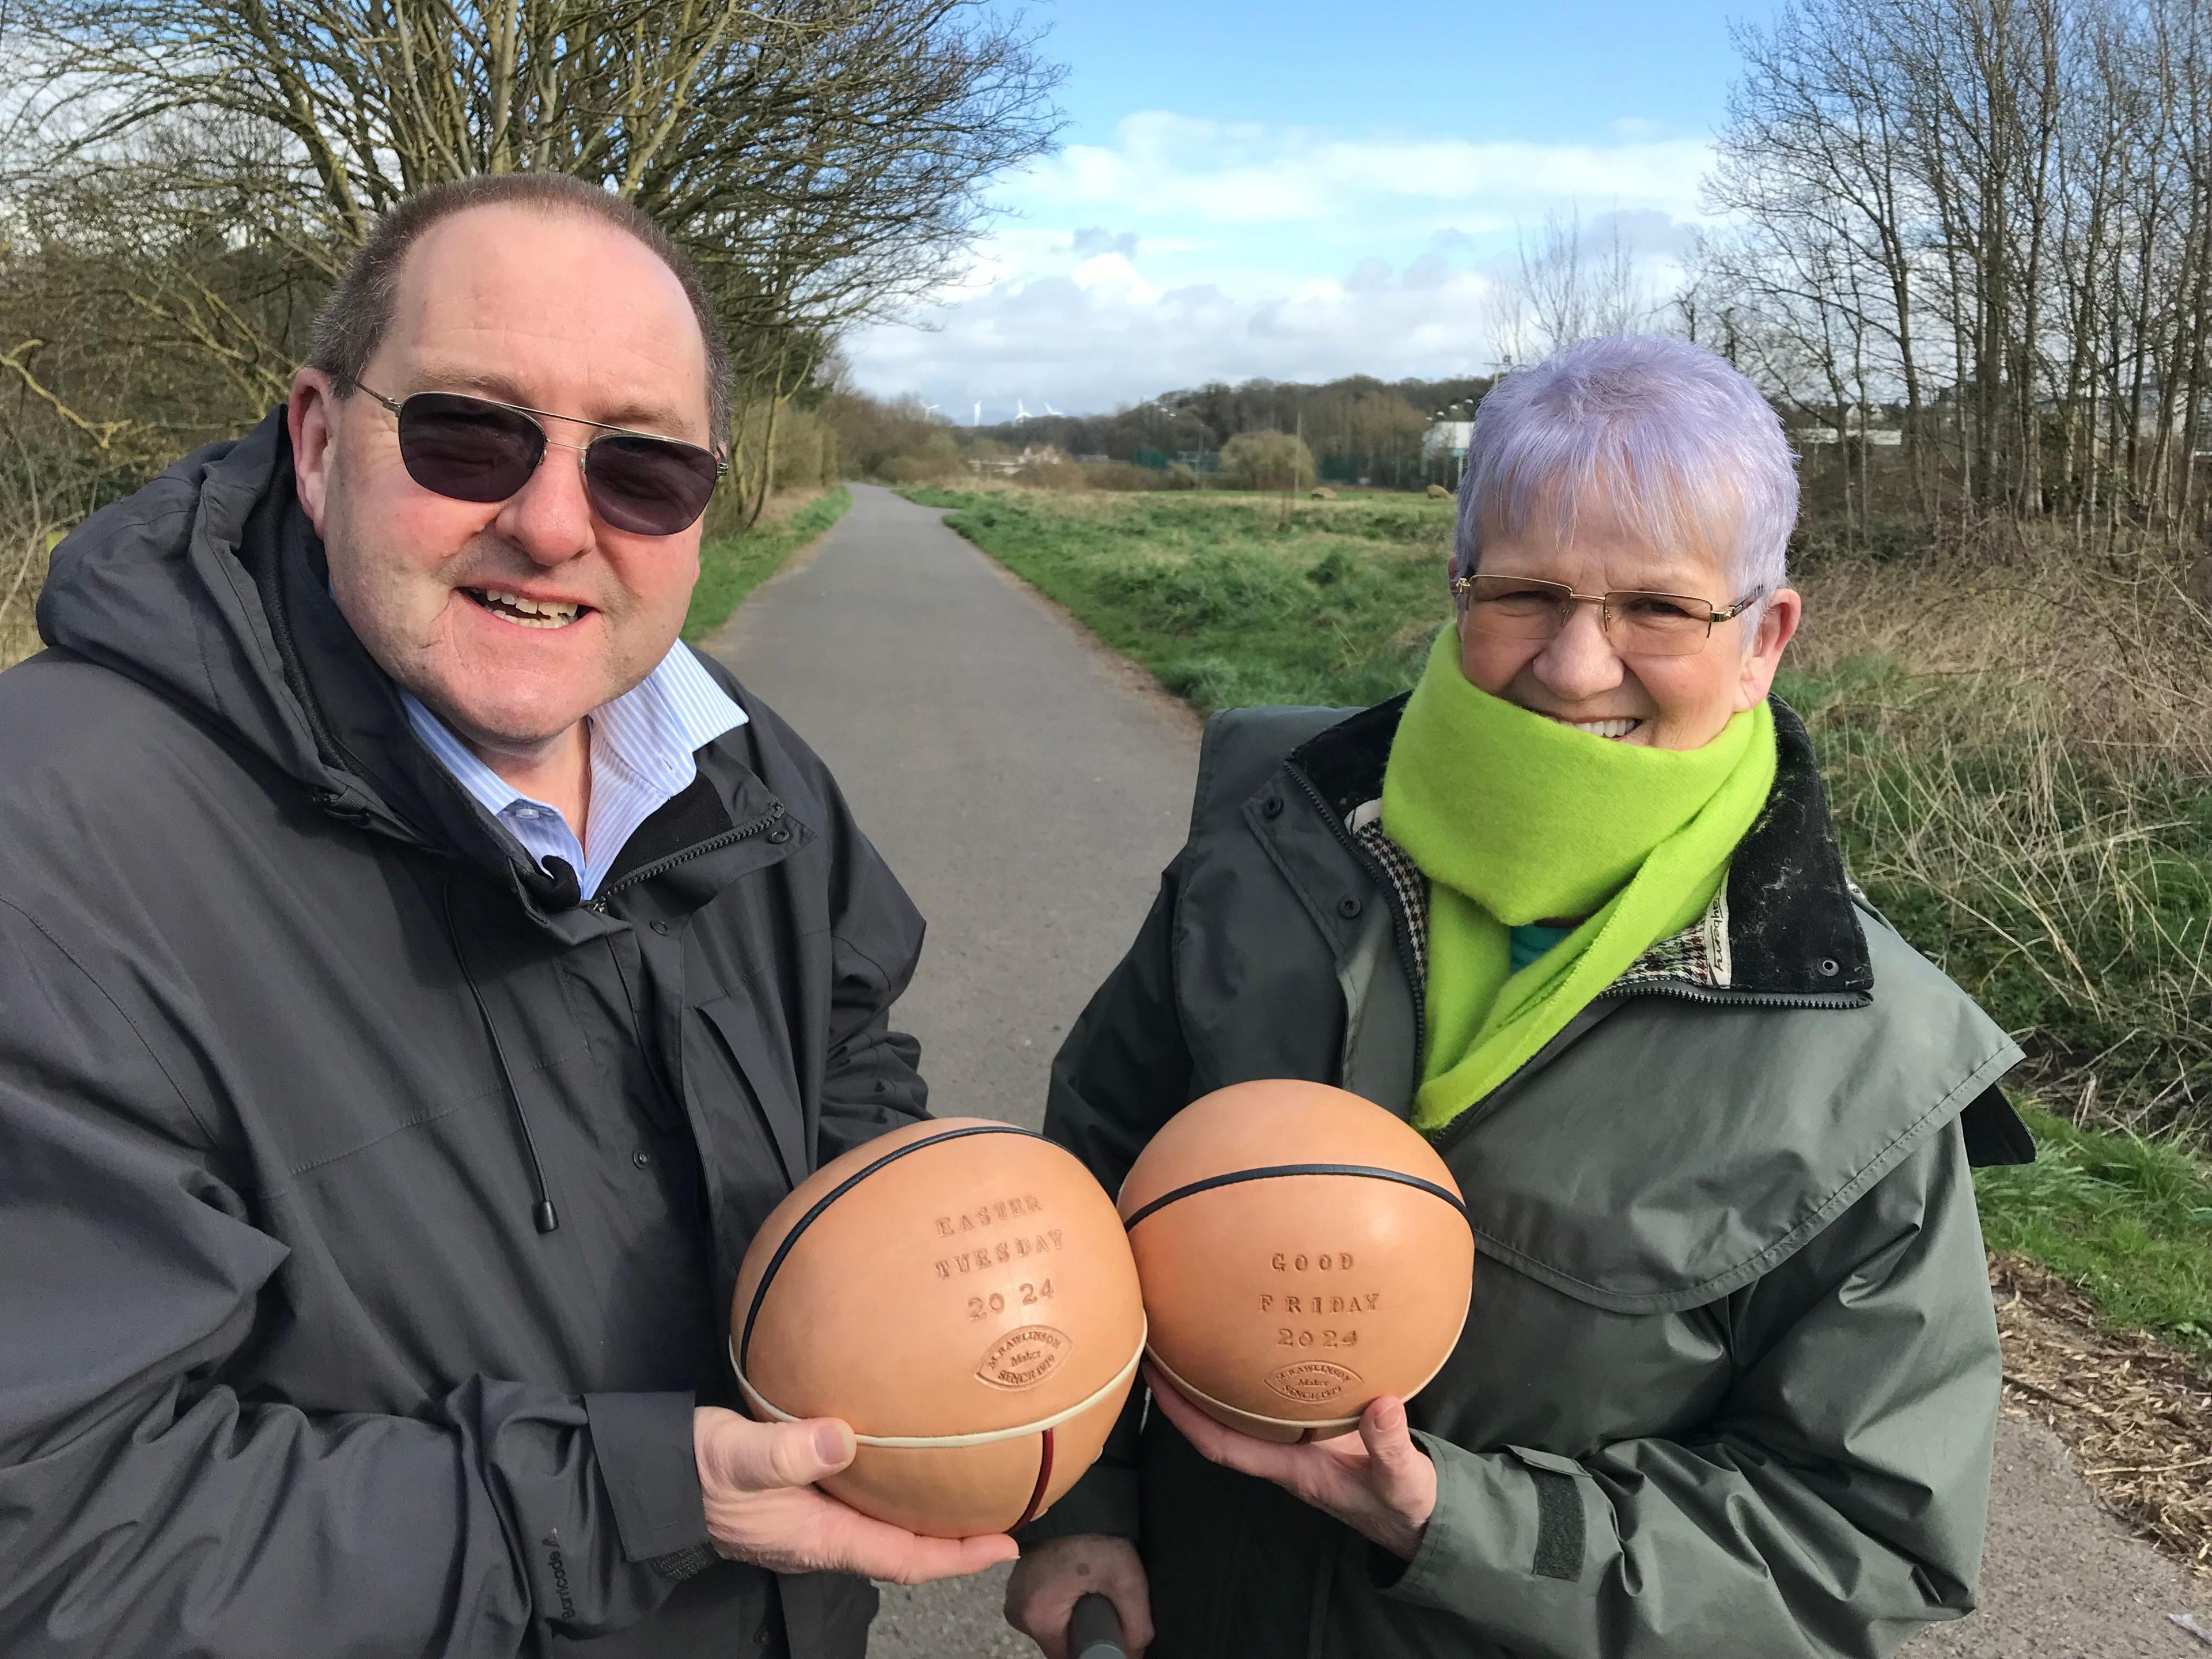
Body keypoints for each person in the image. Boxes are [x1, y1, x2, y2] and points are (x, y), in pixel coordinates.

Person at [0, 173, 1014, 1658]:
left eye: (644, 470)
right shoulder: (58, 846)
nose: (552, 524)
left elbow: (845, 1044)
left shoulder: (734, 758)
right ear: (315, 434)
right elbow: (57, 1534)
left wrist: (917, 1280)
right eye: (469, 434)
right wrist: (637, 1502)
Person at [1006, 335, 2033, 1659]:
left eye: (1658, 609)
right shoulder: (1266, 862)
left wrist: (1457, 1522)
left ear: (1762, 639)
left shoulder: (1866, 1052)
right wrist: (1083, 1503)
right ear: (1457, 592)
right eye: (1527, 593)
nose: (1577, 664)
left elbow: (1868, 1541)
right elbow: (1083, 1186)